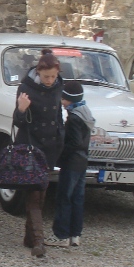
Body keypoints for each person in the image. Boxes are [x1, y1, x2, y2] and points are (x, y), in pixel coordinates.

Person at [13, 49, 64, 258]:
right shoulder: (26, 87)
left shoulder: (59, 85)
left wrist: (61, 139)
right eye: (46, 77)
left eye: (52, 76)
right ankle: (39, 241)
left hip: (50, 148)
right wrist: (22, 109)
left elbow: (58, 116)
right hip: (31, 147)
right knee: (34, 194)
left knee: (41, 194)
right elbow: (17, 122)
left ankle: (29, 238)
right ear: (38, 73)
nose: (49, 80)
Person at [45, 80, 94, 249]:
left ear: (70, 99)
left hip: (71, 162)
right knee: (77, 198)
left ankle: (61, 235)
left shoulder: (73, 118)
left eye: (63, 99)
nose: (62, 102)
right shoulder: (86, 113)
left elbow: (74, 143)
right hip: (82, 162)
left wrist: (60, 155)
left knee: (64, 198)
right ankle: (75, 234)